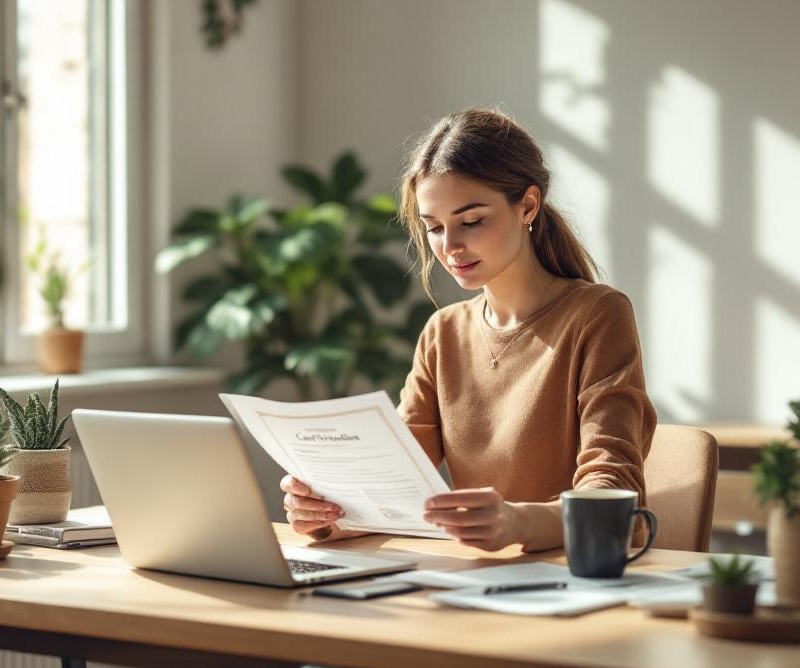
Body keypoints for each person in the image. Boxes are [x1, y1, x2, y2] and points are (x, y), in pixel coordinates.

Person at [281, 107, 656, 552]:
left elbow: (613, 495)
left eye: (472, 221)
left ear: (528, 206)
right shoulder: (444, 332)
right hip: (476, 582)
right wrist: (329, 516)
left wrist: (518, 522)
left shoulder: (597, 314)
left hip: (565, 581)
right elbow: (394, 487)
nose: (450, 247)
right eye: (434, 228)